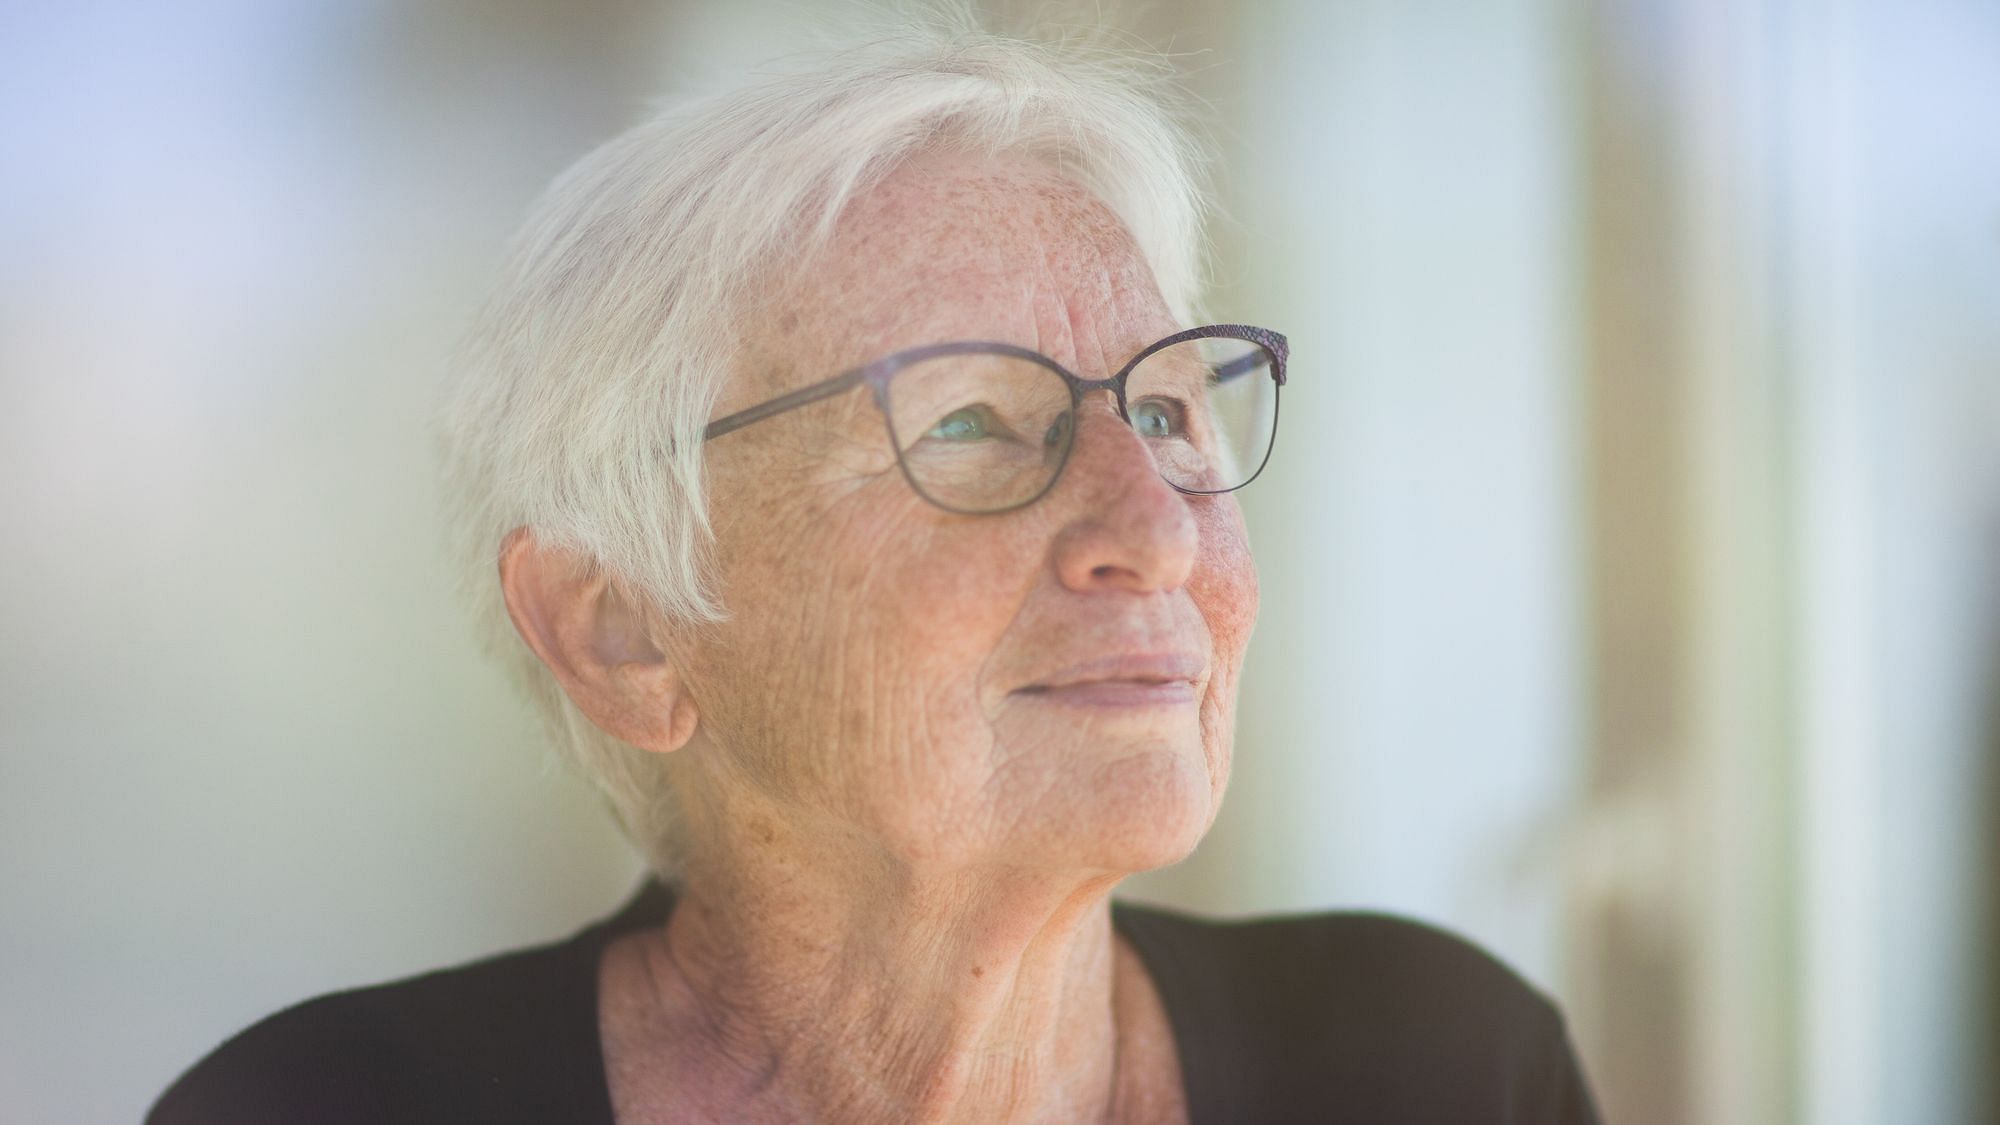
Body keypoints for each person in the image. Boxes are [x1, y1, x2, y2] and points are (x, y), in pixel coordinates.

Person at [150, 20, 1602, 1125]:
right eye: (969, 421)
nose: (1155, 527)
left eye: (1166, 409)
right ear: (622, 630)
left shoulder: (1437, 1066)